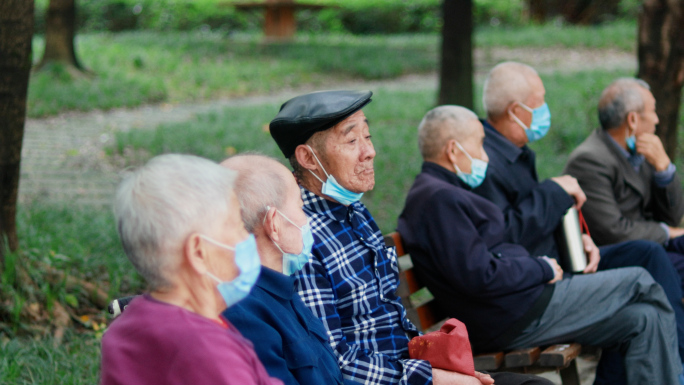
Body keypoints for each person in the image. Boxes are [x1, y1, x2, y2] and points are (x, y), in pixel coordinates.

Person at [269, 90, 555, 385]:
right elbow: (334, 361)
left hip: (413, 368)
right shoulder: (297, 238)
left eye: (367, 137)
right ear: (308, 158)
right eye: (352, 141)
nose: (369, 151)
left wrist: (445, 370)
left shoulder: (354, 211)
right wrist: (436, 378)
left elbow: (391, 317)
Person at [398, 105, 682, 385]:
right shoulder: (438, 200)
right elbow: (479, 275)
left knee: (644, 319)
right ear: (453, 149)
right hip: (515, 315)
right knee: (639, 279)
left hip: (520, 305)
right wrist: (541, 268)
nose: (485, 154)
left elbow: (488, 257)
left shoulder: (443, 192)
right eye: (481, 144)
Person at [470, 62, 684, 381]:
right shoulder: (486, 161)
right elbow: (506, 237)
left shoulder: (516, 152)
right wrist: (553, 192)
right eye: (539, 101)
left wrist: (570, 236)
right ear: (516, 110)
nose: (545, 109)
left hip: (557, 269)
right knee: (641, 278)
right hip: (534, 294)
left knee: (644, 310)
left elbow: (527, 227)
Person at [100, 154, 281, 385]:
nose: (248, 239)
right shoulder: (207, 351)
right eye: (239, 226)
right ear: (198, 252)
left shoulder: (125, 328)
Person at [221, 154, 361, 385]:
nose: (306, 220)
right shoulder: (243, 315)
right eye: (300, 206)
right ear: (274, 224)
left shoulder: (282, 287)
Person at [564, 78, 684, 282]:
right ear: (633, 120)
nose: (656, 120)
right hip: (623, 254)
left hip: (652, 242)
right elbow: (614, 232)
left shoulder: (642, 150)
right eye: (653, 111)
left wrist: (664, 169)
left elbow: (672, 216)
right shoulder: (589, 160)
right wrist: (666, 232)